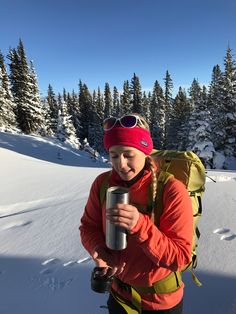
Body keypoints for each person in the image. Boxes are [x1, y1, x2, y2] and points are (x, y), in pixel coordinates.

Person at [79, 114, 193, 314]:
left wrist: (140, 225)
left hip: (159, 302)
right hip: (119, 296)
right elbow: (88, 227)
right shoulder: (103, 184)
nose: (120, 164)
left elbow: (180, 258)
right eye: (114, 155)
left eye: (128, 154)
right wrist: (98, 249)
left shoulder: (171, 190)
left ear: (145, 151)